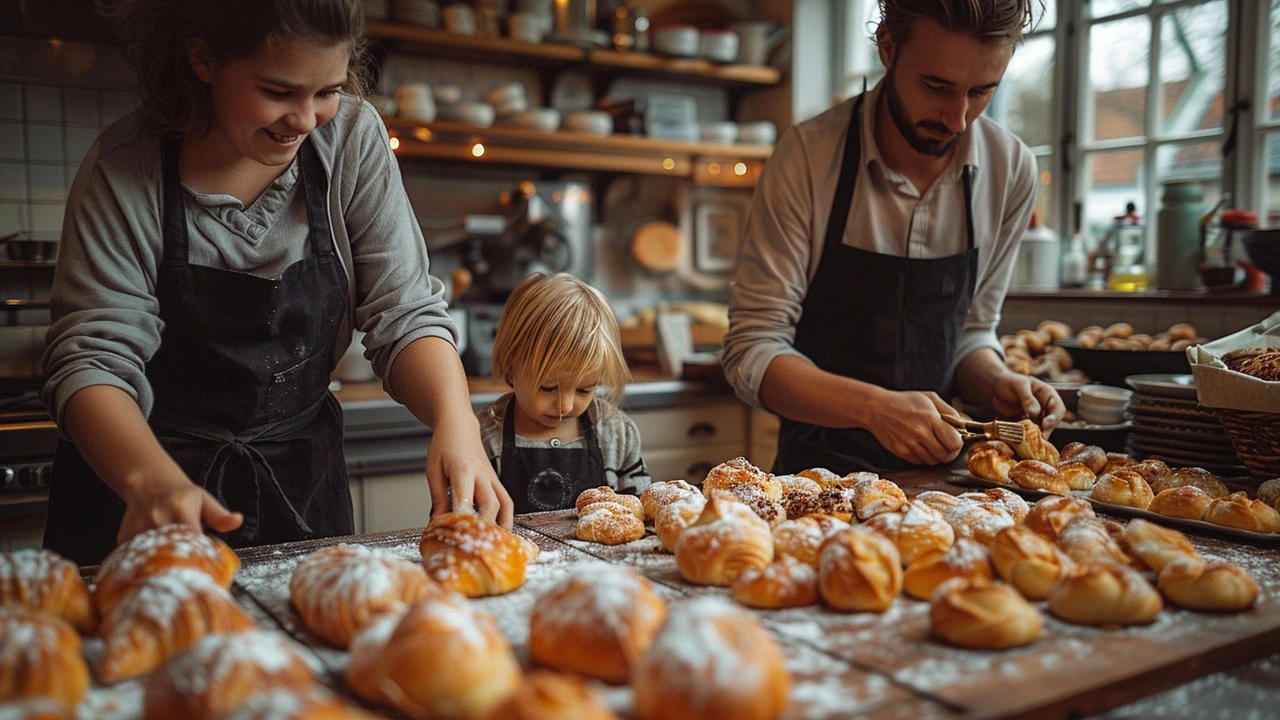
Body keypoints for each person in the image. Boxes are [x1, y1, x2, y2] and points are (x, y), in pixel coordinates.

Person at [41, 0, 511, 566]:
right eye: (279, 91)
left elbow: (405, 312)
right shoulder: (124, 169)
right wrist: (151, 483)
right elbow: (93, 359)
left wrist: (455, 421)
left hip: (300, 484)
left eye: (327, 91)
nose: (307, 119)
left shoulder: (352, 141)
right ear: (203, 59)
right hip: (139, 492)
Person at [721, 0, 1064, 476]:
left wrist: (998, 382)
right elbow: (753, 350)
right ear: (887, 46)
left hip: (947, 484)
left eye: (982, 92)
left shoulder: (1011, 170)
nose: (957, 118)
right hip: (817, 482)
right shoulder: (807, 159)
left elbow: (971, 333)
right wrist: (874, 408)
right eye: (936, 86)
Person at [476, 273, 650, 513]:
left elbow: (639, 512)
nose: (566, 405)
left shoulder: (616, 434)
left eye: (584, 389)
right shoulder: (483, 437)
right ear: (510, 369)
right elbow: (462, 522)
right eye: (548, 387)